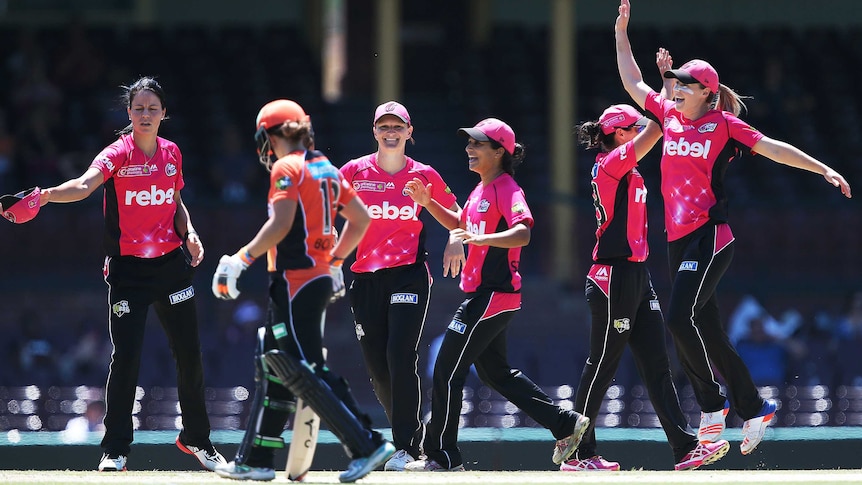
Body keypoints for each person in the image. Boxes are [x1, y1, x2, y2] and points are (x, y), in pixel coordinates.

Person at [614, 0, 852, 456]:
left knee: (679, 317)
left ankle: (712, 406)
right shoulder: (667, 114)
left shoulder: (724, 125)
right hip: (677, 240)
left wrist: (822, 169)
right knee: (708, 332)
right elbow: (631, 79)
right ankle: (755, 406)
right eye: (676, 82)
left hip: (710, 237)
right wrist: (622, 31)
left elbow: (775, 148)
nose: (676, 89)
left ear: (706, 92)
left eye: (686, 84)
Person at [31, 76, 226, 472]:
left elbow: (175, 200)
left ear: (164, 114)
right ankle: (115, 450)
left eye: (153, 108)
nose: (146, 115)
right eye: (139, 109)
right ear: (129, 114)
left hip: (172, 267)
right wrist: (48, 194)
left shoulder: (172, 153)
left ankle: (196, 439)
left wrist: (189, 233)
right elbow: (85, 186)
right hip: (129, 273)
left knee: (189, 356)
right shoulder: (118, 153)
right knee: (126, 360)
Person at [211, 99, 394, 483]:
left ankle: (367, 443)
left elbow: (280, 224)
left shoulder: (287, 166)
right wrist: (336, 261)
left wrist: (241, 259)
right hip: (311, 278)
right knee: (274, 361)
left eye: (265, 136)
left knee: (305, 368)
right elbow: (360, 219)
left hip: (296, 281)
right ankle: (256, 460)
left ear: (274, 134)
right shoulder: (326, 167)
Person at [401, 118, 590, 472]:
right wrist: (428, 204)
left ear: (499, 151)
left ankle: (442, 456)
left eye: (478, 144)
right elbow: (462, 224)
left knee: (446, 371)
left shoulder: (507, 188)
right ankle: (564, 423)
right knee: (496, 374)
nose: (469, 149)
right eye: (469, 143)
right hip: (487, 296)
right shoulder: (480, 190)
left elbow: (522, 234)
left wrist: (484, 240)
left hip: (493, 295)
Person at [564, 101, 729, 472]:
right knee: (602, 365)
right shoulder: (611, 163)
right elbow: (656, 129)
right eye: (633, 128)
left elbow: (653, 130)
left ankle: (685, 448)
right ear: (619, 135)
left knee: (657, 366)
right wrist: (668, 98)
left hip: (638, 276)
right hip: (613, 277)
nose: (641, 132)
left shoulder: (629, 168)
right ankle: (578, 454)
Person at [339, 101, 463, 471]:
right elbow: (328, 212)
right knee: (378, 369)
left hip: (409, 273)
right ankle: (411, 432)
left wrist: (456, 237)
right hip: (364, 278)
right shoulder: (353, 171)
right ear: (374, 131)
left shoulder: (425, 174)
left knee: (399, 354)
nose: (390, 132)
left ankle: (405, 446)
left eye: (398, 126)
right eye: (383, 126)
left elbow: (457, 216)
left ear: (410, 132)